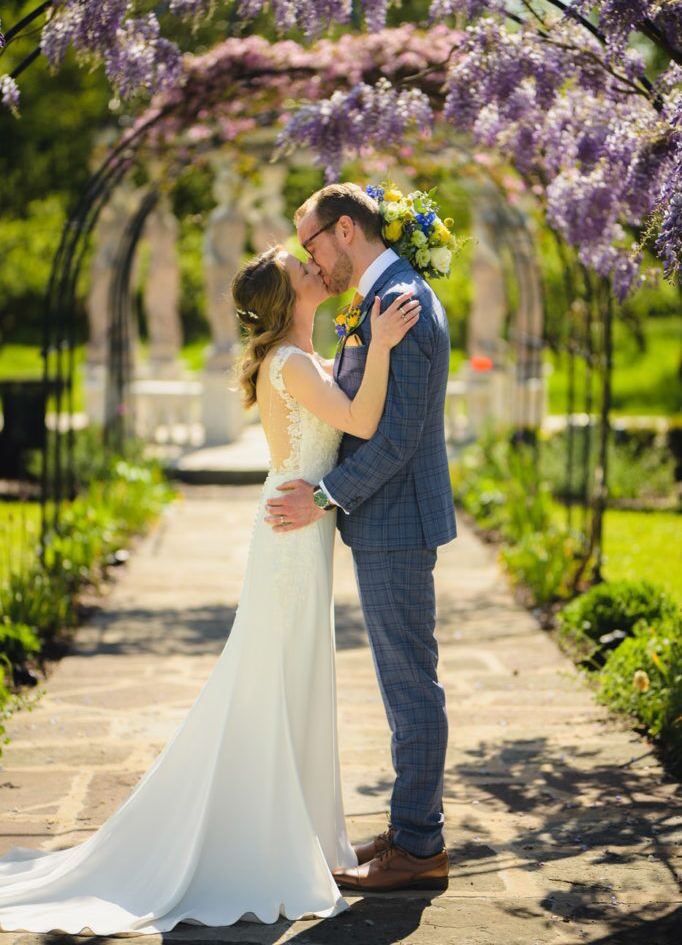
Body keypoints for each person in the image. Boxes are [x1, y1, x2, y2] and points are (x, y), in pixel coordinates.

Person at [0, 243, 420, 933]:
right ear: (288, 301)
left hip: (298, 525)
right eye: (302, 269)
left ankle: (303, 834)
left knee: (288, 678)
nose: (317, 268)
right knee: (275, 679)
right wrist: (380, 348)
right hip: (291, 536)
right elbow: (363, 423)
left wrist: (361, 343)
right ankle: (266, 843)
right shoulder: (289, 363)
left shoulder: (300, 359)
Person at [265, 182, 457, 892]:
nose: (309, 260)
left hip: (397, 519)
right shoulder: (380, 298)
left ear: (344, 230)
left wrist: (323, 497)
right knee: (401, 681)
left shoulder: (397, 301)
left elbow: (398, 438)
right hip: (390, 520)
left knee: (410, 686)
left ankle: (420, 846)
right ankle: (412, 829)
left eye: (309, 242)